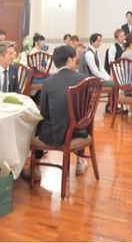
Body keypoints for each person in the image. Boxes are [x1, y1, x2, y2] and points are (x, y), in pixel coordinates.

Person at [33, 45, 89, 176]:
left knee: (38, 123)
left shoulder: (48, 82)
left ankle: (36, 165)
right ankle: (80, 160)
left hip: (55, 134)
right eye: (74, 58)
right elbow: (86, 111)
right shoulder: (83, 79)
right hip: (78, 132)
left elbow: (44, 112)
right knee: (80, 118)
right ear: (69, 60)